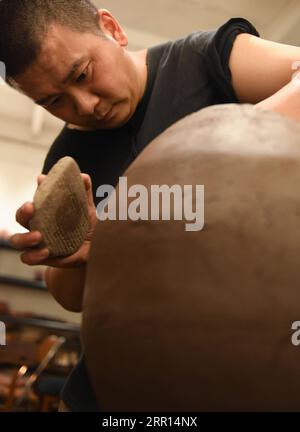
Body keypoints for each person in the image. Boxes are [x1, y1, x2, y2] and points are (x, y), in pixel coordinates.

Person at [3, 0, 300, 411]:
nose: (84, 105)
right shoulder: (68, 154)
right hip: (121, 386)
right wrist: (89, 248)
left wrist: (184, 161)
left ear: (112, 28)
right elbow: (71, 298)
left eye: (83, 74)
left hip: (242, 366)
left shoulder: (203, 59)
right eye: (54, 101)